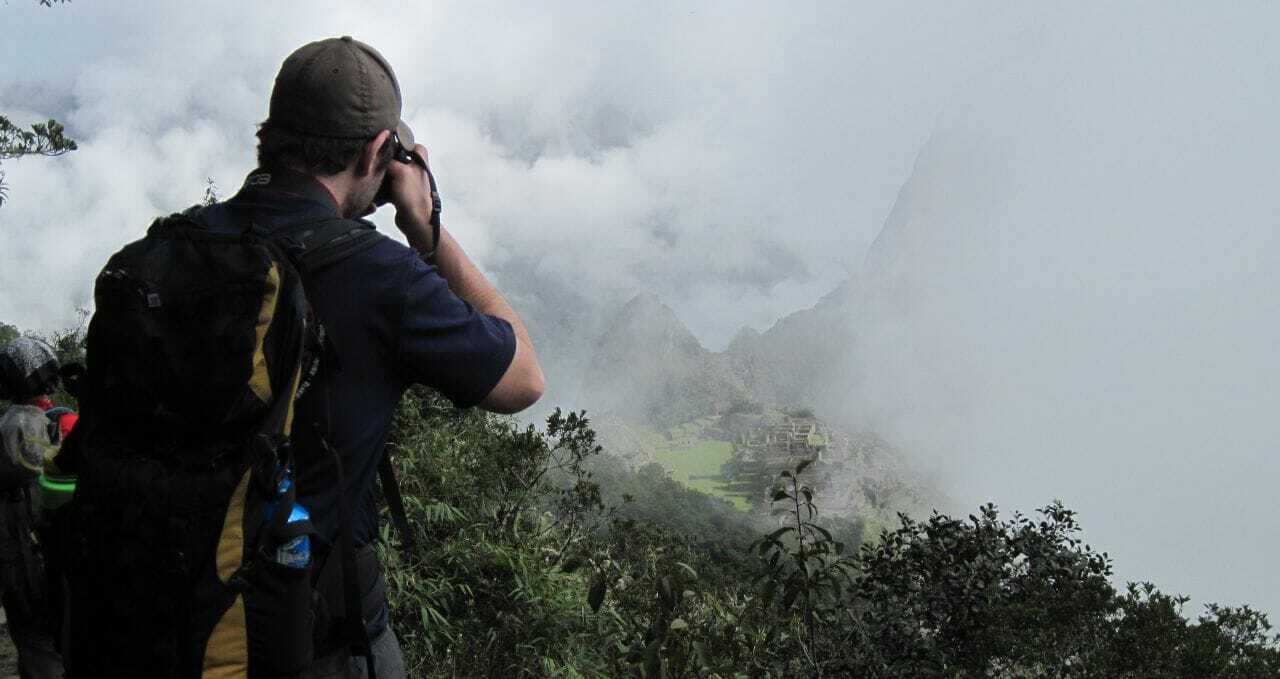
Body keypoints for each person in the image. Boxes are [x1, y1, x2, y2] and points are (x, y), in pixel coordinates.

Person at [193, 36, 541, 678]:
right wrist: (424, 226)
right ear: (381, 151)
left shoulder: (173, 249)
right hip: (307, 639)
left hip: (155, 616)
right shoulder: (378, 276)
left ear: (266, 136)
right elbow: (522, 379)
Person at [0, 336, 75, 679]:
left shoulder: (17, 420)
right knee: (42, 635)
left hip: (25, 545)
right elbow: (37, 471)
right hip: (26, 543)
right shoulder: (25, 423)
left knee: (36, 635)